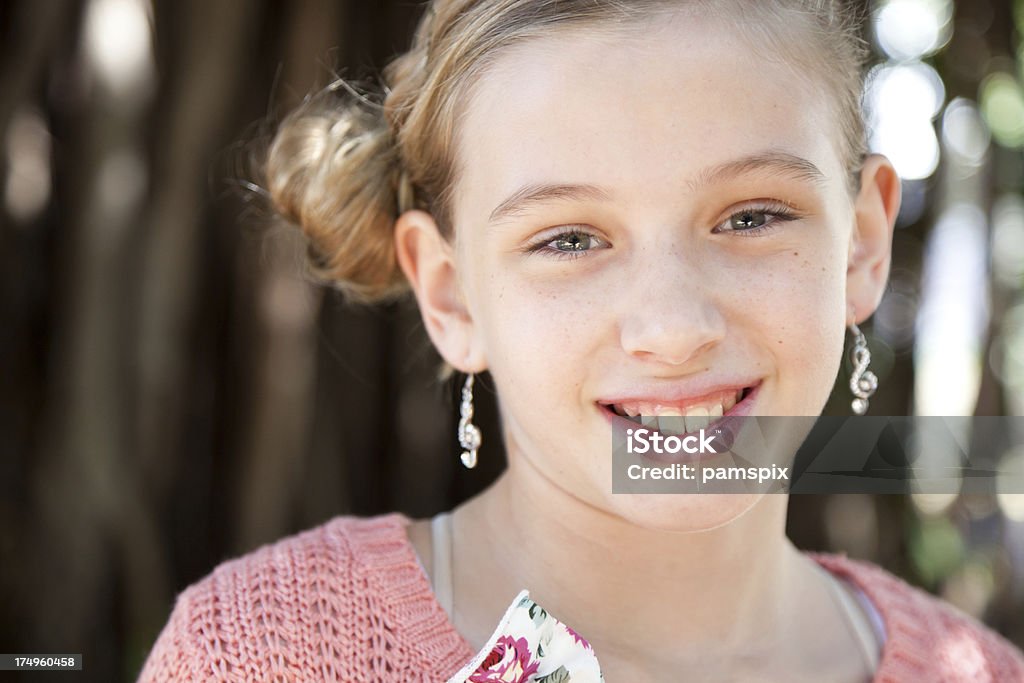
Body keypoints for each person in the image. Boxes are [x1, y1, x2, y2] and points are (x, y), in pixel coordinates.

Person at [137, 1, 1024, 681]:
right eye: (569, 238)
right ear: (450, 296)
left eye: (752, 215)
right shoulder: (271, 651)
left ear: (861, 244)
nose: (673, 329)